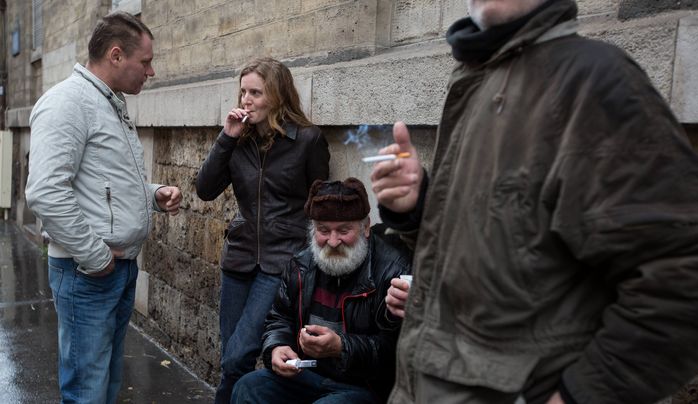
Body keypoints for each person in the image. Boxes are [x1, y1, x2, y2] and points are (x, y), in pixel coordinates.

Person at [370, 0, 698, 403]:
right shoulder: (477, 82)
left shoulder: (590, 80)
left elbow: (694, 274)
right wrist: (416, 207)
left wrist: (578, 396)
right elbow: (498, 253)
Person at [25, 11, 183, 404]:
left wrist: (153, 195)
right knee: (87, 392)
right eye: (145, 61)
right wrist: (96, 257)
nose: (151, 71)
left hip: (115, 269)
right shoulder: (67, 104)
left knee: (105, 385)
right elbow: (45, 191)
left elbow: (101, 183)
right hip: (88, 273)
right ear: (116, 55)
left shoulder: (107, 102)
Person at [196, 57, 330, 403]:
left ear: (278, 96)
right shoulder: (238, 139)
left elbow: (321, 203)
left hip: (282, 261)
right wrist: (226, 138)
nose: (246, 100)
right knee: (233, 360)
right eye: (243, 92)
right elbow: (205, 189)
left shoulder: (307, 140)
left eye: (255, 92)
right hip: (239, 259)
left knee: (238, 355)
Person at [230, 177, 412, 403]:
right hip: (306, 375)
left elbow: (394, 350)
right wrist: (277, 347)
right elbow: (279, 318)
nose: (333, 241)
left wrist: (341, 347)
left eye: (344, 230)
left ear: (365, 228)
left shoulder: (392, 270)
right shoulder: (301, 265)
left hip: (362, 386)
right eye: (323, 230)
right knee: (248, 388)